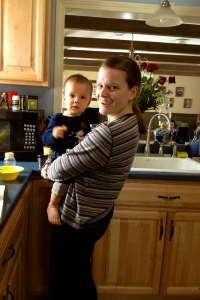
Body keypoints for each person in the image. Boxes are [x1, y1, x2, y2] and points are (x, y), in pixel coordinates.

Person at [41, 56, 146, 300]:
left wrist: (48, 168)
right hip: (98, 212)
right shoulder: (131, 124)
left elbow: (58, 170)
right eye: (99, 85)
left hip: (79, 219)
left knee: (68, 283)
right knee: (79, 275)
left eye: (112, 87)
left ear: (132, 92)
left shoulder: (108, 134)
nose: (102, 93)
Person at [42, 74, 92, 225]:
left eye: (82, 97)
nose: (77, 100)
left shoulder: (84, 123)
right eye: (72, 95)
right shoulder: (57, 119)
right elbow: (45, 139)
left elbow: (89, 141)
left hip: (77, 160)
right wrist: (53, 134)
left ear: (88, 102)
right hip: (60, 159)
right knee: (64, 179)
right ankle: (53, 204)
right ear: (64, 96)